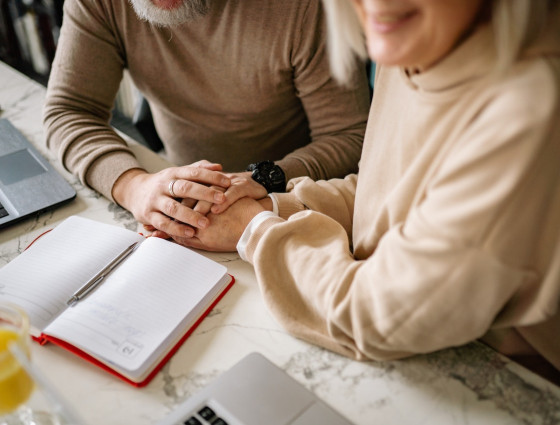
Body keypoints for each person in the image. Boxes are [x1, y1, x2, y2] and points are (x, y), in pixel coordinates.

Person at [181, 0, 560, 383]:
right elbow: (386, 190)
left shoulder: (529, 105)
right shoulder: (416, 45)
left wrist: (254, 228)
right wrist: (273, 205)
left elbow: (375, 317)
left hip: (512, 381)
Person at [43, 0, 370, 240]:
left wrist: (260, 182)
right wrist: (134, 187)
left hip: (291, 200)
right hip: (180, 197)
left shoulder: (306, 8)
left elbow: (349, 134)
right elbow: (70, 109)